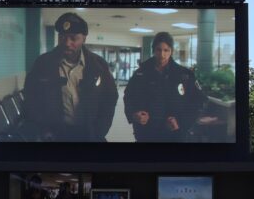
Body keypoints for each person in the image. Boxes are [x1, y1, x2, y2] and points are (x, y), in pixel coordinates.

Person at [22, 12, 118, 141]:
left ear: (84, 38)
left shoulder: (99, 65)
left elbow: (110, 97)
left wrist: (100, 130)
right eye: (62, 37)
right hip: (55, 135)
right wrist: (43, 129)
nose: (67, 43)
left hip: (90, 134)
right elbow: (31, 98)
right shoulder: (43, 63)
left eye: (73, 38)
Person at [123, 32, 206, 142]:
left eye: (166, 50)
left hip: (174, 133)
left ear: (171, 51)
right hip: (146, 133)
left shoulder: (184, 75)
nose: (162, 54)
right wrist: (134, 114)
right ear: (154, 50)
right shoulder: (140, 74)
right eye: (158, 50)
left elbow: (198, 101)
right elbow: (128, 97)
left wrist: (181, 122)